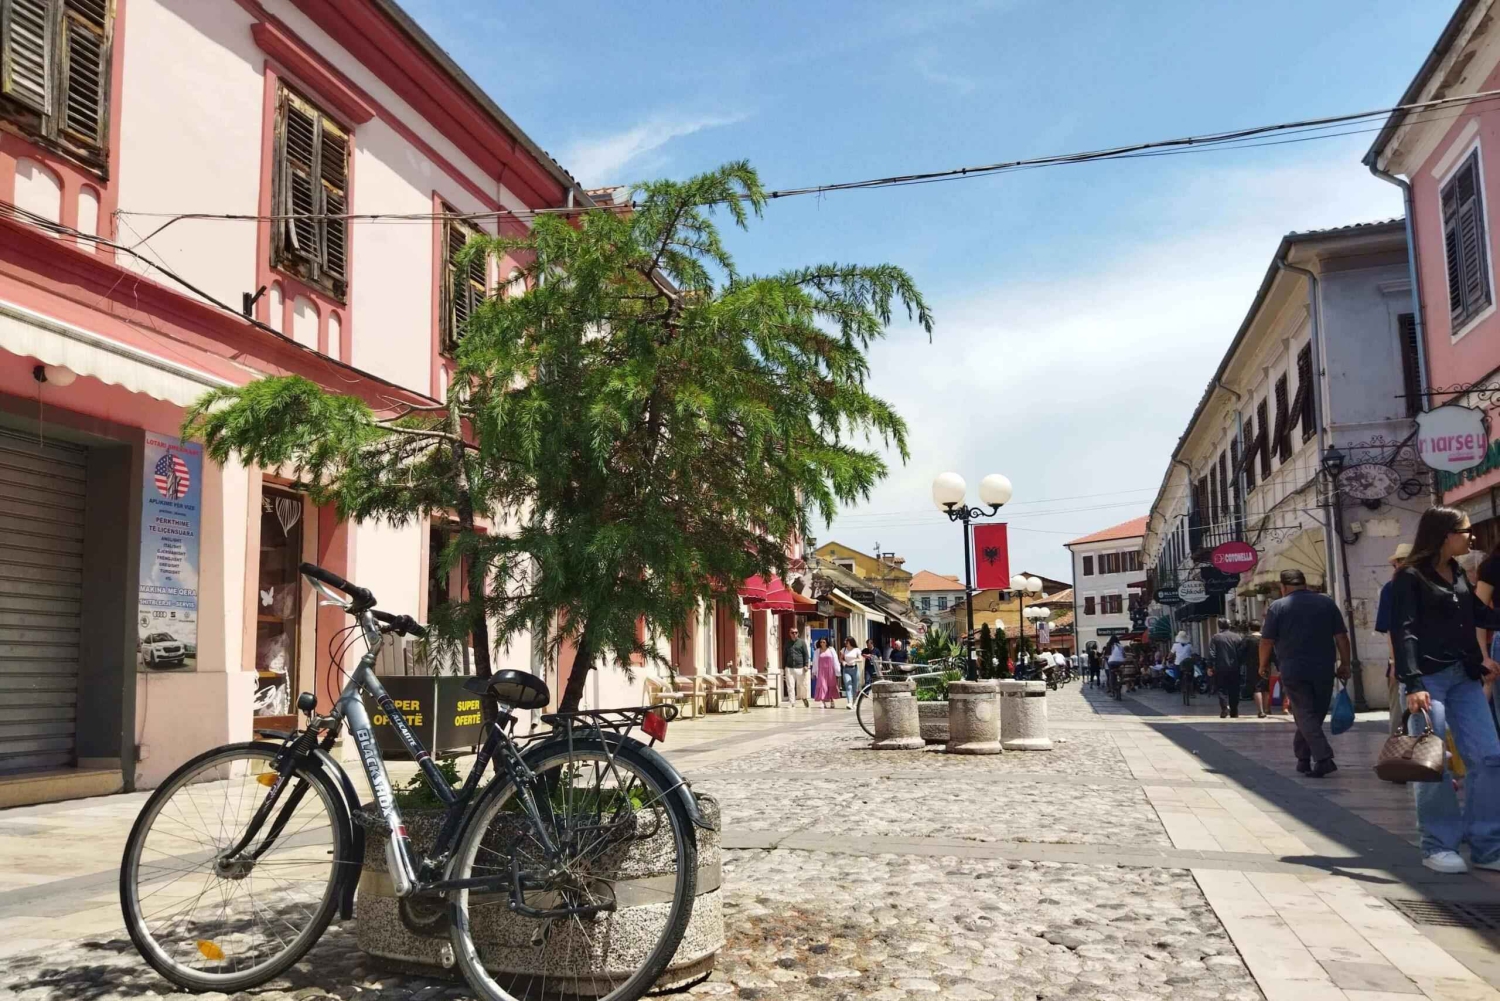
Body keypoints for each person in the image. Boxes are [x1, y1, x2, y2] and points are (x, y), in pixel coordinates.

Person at [1388, 505, 1500, 874]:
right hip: (1429, 679)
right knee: (1432, 764)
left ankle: (1487, 847)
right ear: (1445, 534)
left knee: (1489, 757)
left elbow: (1477, 616)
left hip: (1464, 676)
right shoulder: (1409, 578)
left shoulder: (1456, 572)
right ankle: (1438, 845)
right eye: (1466, 531)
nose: (1472, 537)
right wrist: (1413, 682)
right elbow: (1403, 631)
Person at [1260, 569, 1351, 778]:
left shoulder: (1277, 607)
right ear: (1304, 583)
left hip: (1293, 668)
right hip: (1323, 668)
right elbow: (1342, 637)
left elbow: (1266, 641)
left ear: (1283, 587)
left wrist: (1262, 665)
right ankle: (1302, 758)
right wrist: (1345, 663)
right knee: (1314, 714)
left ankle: (1323, 757)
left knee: (1304, 714)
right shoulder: (1326, 603)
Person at [1374, 543, 1413, 735]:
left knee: (1402, 707)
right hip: (1406, 656)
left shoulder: (1391, 588)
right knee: (1401, 707)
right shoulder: (1391, 589)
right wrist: (1393, 660)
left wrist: (1394, 661)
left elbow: (1390, 628)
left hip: (1408, 657)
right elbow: (1391, 629)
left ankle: (1401, 744)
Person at [1208, 618, 1246, 719]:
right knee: (1234, 689)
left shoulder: (1216, 637)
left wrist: (1210, 666)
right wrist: (1240, 663)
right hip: (1234, 667)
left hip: (1220, 668)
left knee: (1221, 689)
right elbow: (1241, 653)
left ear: (1219, 626)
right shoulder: (1237, 637)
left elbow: (1212, 653)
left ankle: (1224, 709)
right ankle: (1234, 711)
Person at [783, 628, 811, 707]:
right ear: (790, 633)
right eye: (792, 632)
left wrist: (806, 665)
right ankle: (792, 702)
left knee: (802, 685)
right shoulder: (787, 643)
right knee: (790, 686)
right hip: (789, 667)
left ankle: (804, 698)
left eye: (796, 632)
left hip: (800, 667)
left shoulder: (802, 642)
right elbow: (784, 655)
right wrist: (783, 667)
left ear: (798, 633)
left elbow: (806, 654)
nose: (794, 634)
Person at [813, 637, 839, 709]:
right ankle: (822, 702)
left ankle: (832, 701)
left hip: (830, 671)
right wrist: (814, 672)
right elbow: (815, 662)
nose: (822, 644)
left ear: (826, 642)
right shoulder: (817, 651)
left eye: (824, 642)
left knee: (831, 685)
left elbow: (836, 660)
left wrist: (837, 671)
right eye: (821, 642)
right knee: (822, 686)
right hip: (821, 671)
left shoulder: (831, 650)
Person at [840, 637, 862, 709]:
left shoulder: (856, 650)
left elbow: (861, 659)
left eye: (847, 642)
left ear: (851, 642)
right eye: (845, 642)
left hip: (854, 669)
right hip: (846, 669)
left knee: (855, 687)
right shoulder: (844, 649)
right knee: (848, 686)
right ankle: (849, 702)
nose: (846, 643)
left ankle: (854, 702)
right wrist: (843, 662)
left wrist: (855, 660)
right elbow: (841, 658)